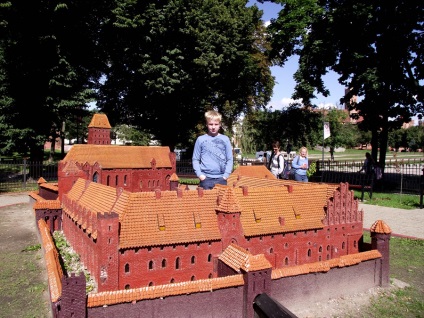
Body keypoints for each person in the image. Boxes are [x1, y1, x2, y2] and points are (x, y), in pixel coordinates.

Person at [192, 110, 233, 190]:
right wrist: (200, 175)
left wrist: (225, 176)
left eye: (216, 124)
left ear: (220, 125)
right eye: (211, 124)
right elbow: (195, 159)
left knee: (222, 202)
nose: (213, 127)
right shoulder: (200, 139)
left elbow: (230, 159)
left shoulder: (225, 139)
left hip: (221, 179)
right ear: (206, 124)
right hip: (206, 179)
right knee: (206, 202)